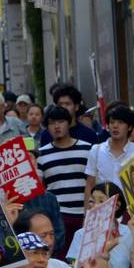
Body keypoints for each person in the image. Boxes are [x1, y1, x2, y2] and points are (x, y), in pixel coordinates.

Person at [38, 105, 92, 250]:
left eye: (61, 121)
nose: (56, 126)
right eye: (51, 123)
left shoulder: (87, 149)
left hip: (84, 213)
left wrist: (89, 212)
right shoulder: (42, 155)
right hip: (57, 215)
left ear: (69, 123)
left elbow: (92, 182)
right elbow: (39, 187)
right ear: (47, 127)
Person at [84, 103, 134, 200]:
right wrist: (87, 213)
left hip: (132, 211)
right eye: (112, 122)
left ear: (129, 127)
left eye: (120, 122)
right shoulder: (96, 150)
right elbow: (90, 185)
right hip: (103, 209)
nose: (115, 126)